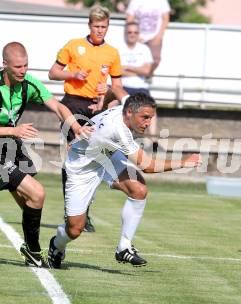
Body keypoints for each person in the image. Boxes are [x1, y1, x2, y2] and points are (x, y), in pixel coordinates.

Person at [0, 41, 91, 268]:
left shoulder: (29, 84)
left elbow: (58, 106)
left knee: (30, 201)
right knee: (37, 194)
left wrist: (76, 126)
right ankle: (34, 251)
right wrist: (14, 130)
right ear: (4, 65)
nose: (23, 71)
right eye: (17, 67)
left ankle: (32, 247)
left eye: (26, 65)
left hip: (10, 146)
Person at [47, 93, 202, 268]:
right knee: (75, 229)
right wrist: (184, 162)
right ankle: (56, 245)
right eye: (145, 117)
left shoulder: (126, 106)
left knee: (139, 190)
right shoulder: (117, 130)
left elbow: (113, 89)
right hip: (83, 168)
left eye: (151, 118)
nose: (148, 123)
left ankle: (124, 247)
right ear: (129, 112)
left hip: (107, 155)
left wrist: (102, 105)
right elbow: (147, 165)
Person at [48, 5, 129, 233]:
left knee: (94, 158)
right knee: (74, 154)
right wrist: (72, 74)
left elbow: (119, 87)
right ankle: (71, 211)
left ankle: (84, 212)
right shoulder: (74, 46)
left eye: (103, 27)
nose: (100, 30)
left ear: (108, 27)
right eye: (96, 26)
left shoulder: (112, 53)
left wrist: (110, 90)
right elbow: (53, 72)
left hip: (97, 108)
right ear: (89, 25)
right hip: (72, 104)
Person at [119, 21, 159, 151]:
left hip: (141, 87)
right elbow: (117, 71)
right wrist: (138, 69)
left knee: (151, 109)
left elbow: (147, 71)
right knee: (120, 110)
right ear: (125, 33)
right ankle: (121, 139)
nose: (132, 35)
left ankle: (153, 140)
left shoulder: (144, 49)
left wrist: (128, 67)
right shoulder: (118, 49)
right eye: (130, 32)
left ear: (138, 34)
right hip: (123, 86)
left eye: (135, 32)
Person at [126, 0, 170, 75]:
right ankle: (136, 78)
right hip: (138, 37)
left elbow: (166, 18)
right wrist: (135, 35)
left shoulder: (162, 1)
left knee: (155, 60)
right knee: (136, 60)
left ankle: (147, 75)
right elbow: (129, 18)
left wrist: (159, 36)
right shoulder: (134, 2)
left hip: (155, 37)